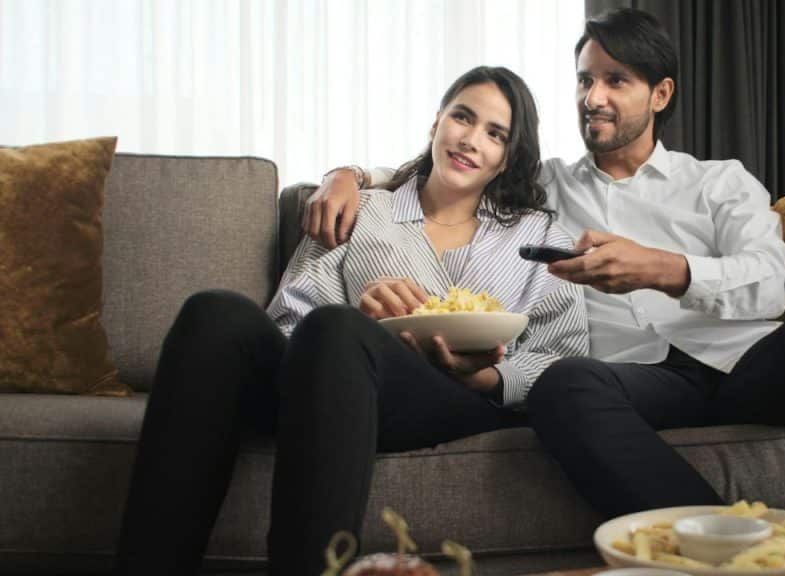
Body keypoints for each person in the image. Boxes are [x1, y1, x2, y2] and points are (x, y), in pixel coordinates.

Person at [304, 8, 785, 522]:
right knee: (562, 384)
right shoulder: (544, 186)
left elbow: (772, 284)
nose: (594, 98)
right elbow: (457, 164)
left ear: (659, 95)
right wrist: (351, 176)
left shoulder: (720, 181)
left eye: (616, 80)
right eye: (586, 80)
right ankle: (723, 545)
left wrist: (663, 269)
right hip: (634, 382)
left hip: (747, 364)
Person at [114, 66, 588, 576]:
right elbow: (290, 322)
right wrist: (364, 326)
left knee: (337, 328)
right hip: (332, 384)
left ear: (508, 158)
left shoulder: (538, 235)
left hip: (458, 396)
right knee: (216, 314)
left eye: (495, 134)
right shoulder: (360, 209)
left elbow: (564, 355)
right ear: (436, 125)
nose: (471, 140)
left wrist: (489, 375)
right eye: (462, 118)